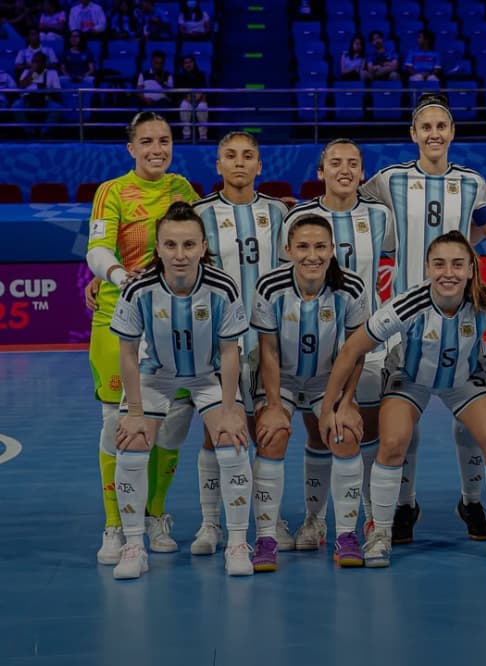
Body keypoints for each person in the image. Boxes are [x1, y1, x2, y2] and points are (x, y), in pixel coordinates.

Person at [320, 231, 486, 567]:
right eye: (439, 264)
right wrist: (334, 406)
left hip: (464, 381)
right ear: (427, 267)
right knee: (394, 442)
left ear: (472, 268)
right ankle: (381, 532)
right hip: (411, 379)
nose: (448, 272)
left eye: (458, 264)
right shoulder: (407, 305)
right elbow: (353, 348)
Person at [359, 92, 486, 543]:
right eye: (427, 127)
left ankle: (472, 501)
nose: (434, 134)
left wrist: (465, 248)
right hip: (406, 322)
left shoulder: (473, 182)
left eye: (442, 126)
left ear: (452, 133)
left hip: (463, 316)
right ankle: (404, 505)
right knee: (403, 422)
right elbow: (348, 204)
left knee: (469, 421)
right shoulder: (389, 180)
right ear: (414, 134)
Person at [110, 202, 253, 579]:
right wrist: (136, 413)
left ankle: (238, 542)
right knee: (130, 441)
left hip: (208, 376)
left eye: (189, 245)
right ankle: (134, 545)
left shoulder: (222, 286)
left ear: (204, 246)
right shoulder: (138, 289)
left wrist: (227, 408)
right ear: (157, 247)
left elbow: (229, 353)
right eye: (170, 245)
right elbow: (127, 354)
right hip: (156, 376)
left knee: (231, 437)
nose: (180, 254)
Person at [86, 111, 199, 567]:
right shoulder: (110, 192)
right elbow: (97, 247)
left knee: (172, 425)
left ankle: (155, 514)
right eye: (147, 141)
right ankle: (115, 524)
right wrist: (116, 276)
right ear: (131, 148)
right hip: (119, 317)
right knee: (118, 424)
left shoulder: (182, 190)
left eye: (165, 140)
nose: (157, 148)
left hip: (180, 323)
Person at [279, 138, 393, 554]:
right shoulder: (299, 217)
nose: (344, 169)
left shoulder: (381, 216)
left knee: (366, 431)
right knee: (318, 432)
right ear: (321, 172)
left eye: (353, 163)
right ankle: (314, 520)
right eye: (335, 163)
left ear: (363, 173)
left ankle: (370, 515)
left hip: (368, 343)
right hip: (313, 346)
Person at [191, 131, 290, 560]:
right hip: (217, 344)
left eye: (248, 156)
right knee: (218, 435)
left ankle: (269, 521)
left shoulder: (279, 213)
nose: (239, 163)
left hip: (268, 342)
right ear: (217, 165)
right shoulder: (199, 215)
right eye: (230, 156)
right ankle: (211, 522)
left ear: (260, 165)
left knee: (269, 431)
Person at [251, 215, 370, 570]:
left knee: (345, 435)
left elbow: (355, 351)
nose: (312, 255)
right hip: (283, 380)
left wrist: (345, 403)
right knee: (272, 436)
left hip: (326, 380)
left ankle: (344, 534)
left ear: (333, 250)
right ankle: (266, 537)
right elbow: (268, 351)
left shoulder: (352, 287)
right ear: (288, 250)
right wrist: (273, 405)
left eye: (321, 247)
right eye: (302, 246)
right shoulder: (270, 287)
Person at [13, 51, 62, 135]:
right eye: (34, 61)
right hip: (28, 99)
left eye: (38, 62)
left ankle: (45, 132)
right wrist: (31, 73)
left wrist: (46, 92)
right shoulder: (27, 72)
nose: (35, 64)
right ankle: (29, 131)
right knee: (16, 106)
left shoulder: (52, 73)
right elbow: (21, 86)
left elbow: (57, 91)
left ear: (44, 63)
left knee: (57, 107)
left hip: (45, 99)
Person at [174, 54, 208, 141]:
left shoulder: (201, 75)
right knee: (184, 105)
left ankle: (203, 136)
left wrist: (200, 96)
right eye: (186, 63)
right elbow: (178, 92)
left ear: (194, 63)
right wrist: (187, 98)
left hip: (199, 99)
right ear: (183, 65)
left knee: (202, 106)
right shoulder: (180, 77)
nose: (188, 64)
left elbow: (204, 90)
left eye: (190, 62)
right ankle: (186, 135)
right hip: (187, 100)